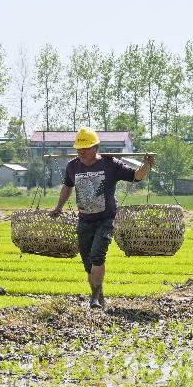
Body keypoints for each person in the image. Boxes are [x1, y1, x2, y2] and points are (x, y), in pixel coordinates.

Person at [50, 127, 154, 309]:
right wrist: (59, 207)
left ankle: (94, 297)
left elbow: (136, 177)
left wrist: (147, 165)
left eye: (86, 148)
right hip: (84, 220)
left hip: (106, 219)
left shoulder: (110, 164)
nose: (81, 152)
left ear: (96, 148)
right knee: (88, 263)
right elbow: (67, 186)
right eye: (78, 148)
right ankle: (99, 295)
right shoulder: (73, 166)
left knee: (98, 255)